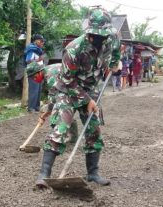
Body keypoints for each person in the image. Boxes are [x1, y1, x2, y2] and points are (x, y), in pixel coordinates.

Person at [34, 8, 121, 188]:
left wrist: (113, 64)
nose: (98, 40)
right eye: (94, 36)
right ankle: (44, 174)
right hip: (68, 90)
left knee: (94, 130)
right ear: (88, 32)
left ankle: (92, 173)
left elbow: (117, 49)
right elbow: (67, 81)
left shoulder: (111, 37)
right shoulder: (74, 50)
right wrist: (86, 100)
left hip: (91, 89)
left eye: (102, 36)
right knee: (61, 128)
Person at [24, 34, 45, 112]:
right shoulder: (31, 49)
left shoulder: (38, 50)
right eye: (41, 41)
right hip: (33, 72)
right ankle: (31, 108)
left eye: (43, 42)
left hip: (39, 72)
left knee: (38, 90)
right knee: (33, 90)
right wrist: (39, 59)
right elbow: (28, 60)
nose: (42, 43)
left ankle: (37, 107)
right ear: (36, 41)